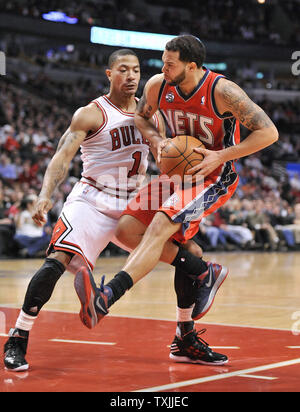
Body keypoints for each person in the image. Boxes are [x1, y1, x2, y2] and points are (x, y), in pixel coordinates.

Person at [74, 35, 278, 365]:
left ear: (192, 66)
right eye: (163, 61)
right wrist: (156, 142)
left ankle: (107, 297)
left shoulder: (223, 92)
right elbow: (142, 117)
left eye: (171, 64)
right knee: (125, 231)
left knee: (159, 227)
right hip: (175, 174)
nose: (163, 68)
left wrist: (220, 156)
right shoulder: (158, 85)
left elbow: (268, 132)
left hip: (212, 175)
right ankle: (194, 302)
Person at [3, 48, 168, 371]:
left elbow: (165, 158)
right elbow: (62, 157)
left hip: (132, 201)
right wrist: (44, 195)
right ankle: (18, 337)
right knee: (55, 261)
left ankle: (185, 334)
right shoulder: (90, 113)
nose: (132, 76)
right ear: (109, 74)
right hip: (93, 197)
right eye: (123, 69)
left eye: (136, 70)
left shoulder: (152, 114)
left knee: (188, 253)